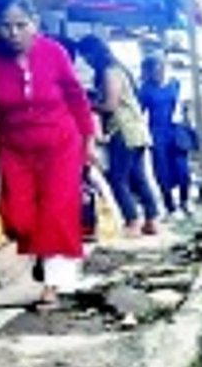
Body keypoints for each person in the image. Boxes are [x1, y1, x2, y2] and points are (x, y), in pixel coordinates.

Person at [0, 0, 96, 308]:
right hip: (15, 148)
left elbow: (76, 97)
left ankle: (52, 285)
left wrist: (89, 138)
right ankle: (42, 254)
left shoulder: (54, 53)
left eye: (21, 25)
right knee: (18, 217)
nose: (13, 33)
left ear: (35, 23)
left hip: (60, 144)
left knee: (56, 212)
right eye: (5, 26)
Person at [77, 34, 159, 236]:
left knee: (118, 179)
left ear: (93, 53)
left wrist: (88, 105)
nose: (87, 62)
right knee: (138, 177)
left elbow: (110, 105)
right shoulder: (119, 69)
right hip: (136, 131)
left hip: (123, 130)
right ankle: (151, 220)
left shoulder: (109, 71)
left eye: (86, 57)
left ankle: (132, 221)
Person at [138, 55, 190, 216]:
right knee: (162, 171)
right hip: (157, 132)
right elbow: (139, 112)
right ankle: (170, 206)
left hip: (176, 130)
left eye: (159, 68)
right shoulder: (145, 90)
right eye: (153, 70)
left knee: (183, 169)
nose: (157, 72)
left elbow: (185, 106)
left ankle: (184, 202)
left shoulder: (175, 84)